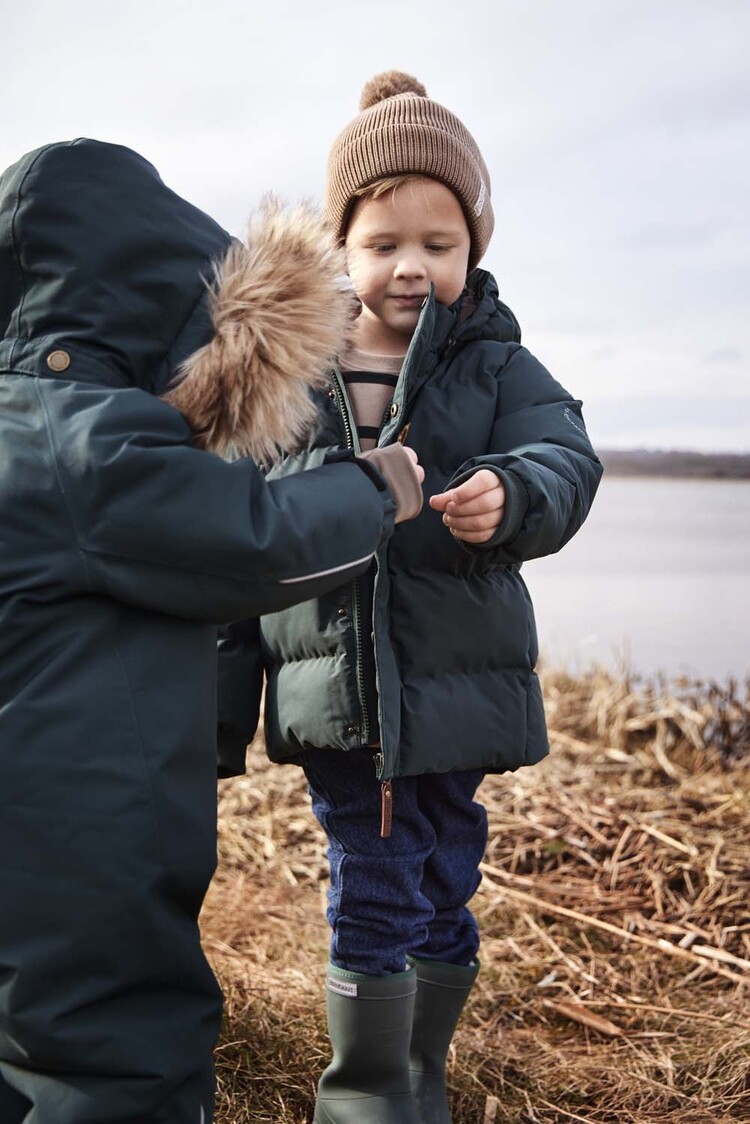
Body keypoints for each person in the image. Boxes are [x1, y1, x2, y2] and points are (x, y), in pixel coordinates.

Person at [0, 137, 424, 1124]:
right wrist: (375, 485)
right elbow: (253, 539)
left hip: (29, 811)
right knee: (112, 1052)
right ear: (142, 306)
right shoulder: (86, 442)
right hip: (84, 832)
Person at [217, 71, 603, 1123]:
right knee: (375, 874)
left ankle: (421, 1068)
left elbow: (566, 458)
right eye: (385, 241)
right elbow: (239, 521)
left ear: (473, 247)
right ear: (342, 245)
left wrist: (514, 492)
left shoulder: (494, 359)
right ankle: (370, 1093)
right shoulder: (295, 371)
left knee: (446, 871)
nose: (411, 266)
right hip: (342, 690)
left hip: (455, 682)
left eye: (439, 243)